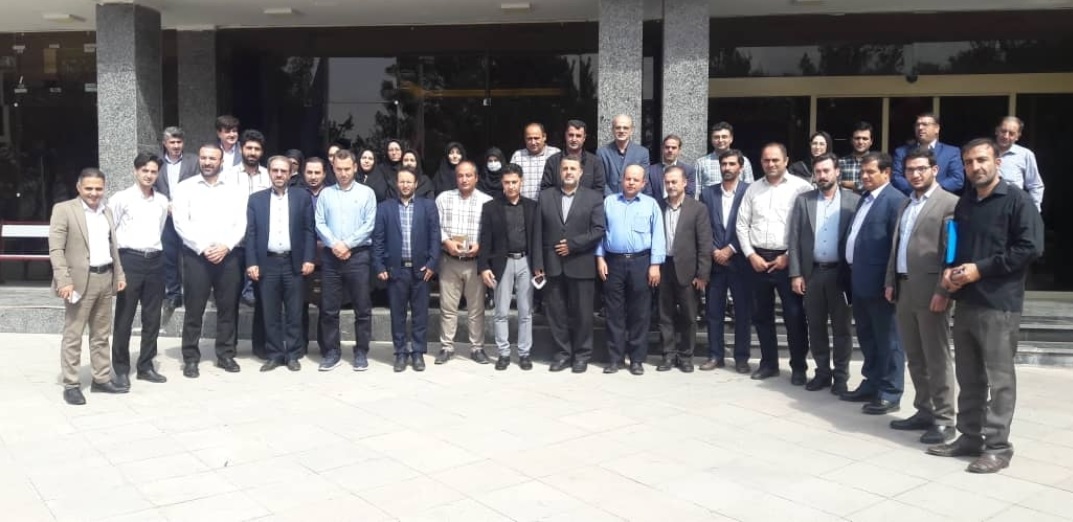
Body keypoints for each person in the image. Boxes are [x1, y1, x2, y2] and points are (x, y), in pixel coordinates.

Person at [927, 138, 1044, 474]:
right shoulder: (966, 203)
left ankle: (998, 447)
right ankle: (969, 437)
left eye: (981, 160)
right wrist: (949, 273)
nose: (975, 167)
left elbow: (1029, 248)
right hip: (966, 302)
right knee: (969, 377)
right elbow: (954, 245)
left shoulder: (1017, 201)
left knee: (999, 379)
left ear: (998, 162)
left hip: (999, 304)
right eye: (968, 162)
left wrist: (980, 269)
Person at [884, 147, 959, 444]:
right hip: (904, 288)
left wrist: (944, 289)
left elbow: (952, 253)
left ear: (934, 170)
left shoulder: (949, 203)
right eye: (910, 170)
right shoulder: (906, 203)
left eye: (921, 169)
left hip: (931, 292)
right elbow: (897, 246)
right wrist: (890, 280)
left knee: (936, 357)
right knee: (915, 356)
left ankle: (945, 419)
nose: (915, 174)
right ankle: (924, 410)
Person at [49, 168, 128, 405]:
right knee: (73, 335)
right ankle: (71, 384)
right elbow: (56, 249)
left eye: (98, 188)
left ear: (104, 188)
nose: (94, 193)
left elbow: (113, 246)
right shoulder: (64, 210)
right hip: (78, 282)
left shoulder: (107, 211)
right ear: (79, 187)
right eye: (89, 188)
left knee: (101, 335)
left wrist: (119, 274)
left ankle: (101, 378)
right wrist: (63, 280)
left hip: (105, 277)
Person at [735, 143, 812, 382]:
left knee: (794, 316)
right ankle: (769, 364)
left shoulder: (801, 188)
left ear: (786, 160)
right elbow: (742, 224)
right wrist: (751, 255)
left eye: (775, 160)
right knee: (761, 316)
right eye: (766, 160)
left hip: (789, 260)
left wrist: (788, 255)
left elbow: (807, 226)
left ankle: (798, 367)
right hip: (758, 260)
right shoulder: (753, 189)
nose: (771, 164)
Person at [172, 143, 248, 378]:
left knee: (228, 308)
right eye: (203, 158)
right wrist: (204, 247)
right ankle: (190, 358)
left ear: (221, 161)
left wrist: (226, 246)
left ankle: (225, 354)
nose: (207, 162)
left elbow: (241, 222)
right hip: (196, 256)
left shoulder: (235, 188)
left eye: (212, 158)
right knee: (194, 309)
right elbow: (180, 223)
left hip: (228, 255)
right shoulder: (185, 188)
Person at [841, 151, 909, 414]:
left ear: (887, 173)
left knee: (889, 340)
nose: (865, 176)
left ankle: (890, 392)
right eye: (862, 172)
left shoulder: (895, 200)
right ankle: (871, 383)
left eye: (871, 172)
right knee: (868, 337)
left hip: (882, 285)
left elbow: (896, 245)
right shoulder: (865, 199)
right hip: (859, 281)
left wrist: (890, 281)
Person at [787, 153, 859, 395]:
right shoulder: (804, 201)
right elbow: (794, 239)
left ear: (837, 171)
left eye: (826, 171)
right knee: (815, 326)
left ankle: (841, 376)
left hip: (841, 274)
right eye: (818, 172)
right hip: (813, 273)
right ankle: (822, 372)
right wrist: (796, 274)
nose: (822, 176)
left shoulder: (853, 201)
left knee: (842, 329)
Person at [532, 154, 606, 373]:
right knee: (556, 313)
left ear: (581, 173)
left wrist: (573, 244)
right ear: (559, 171)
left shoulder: (593, 197)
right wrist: (538, 262)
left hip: (581, 263)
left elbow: (598, 230)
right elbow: (538, 231)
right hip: (552, 264)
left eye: (573, 169)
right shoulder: (546, 196)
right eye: (565, 168)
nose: (569, 172)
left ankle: (582, 355)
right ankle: (562, 353)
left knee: (583, 314)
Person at [245, 156, 316, 372]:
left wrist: (309, 258)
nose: (278, 174)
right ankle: (274, 354)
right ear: (269, 172)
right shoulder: (256, 200)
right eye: (275, 170)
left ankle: (293, 354)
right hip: (267, 263)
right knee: (270, 312)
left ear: (290, 173)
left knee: (294, 312)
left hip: (294, 262)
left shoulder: (302, 197)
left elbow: (309, 230)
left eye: (283, 171)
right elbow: (251, 234)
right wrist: (252, 262)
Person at [597, 164, 666, 375]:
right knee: (614, 312)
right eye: (628, 178)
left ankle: (637, 359)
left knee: (640, 313)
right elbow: (600, 232)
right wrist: (599, 258)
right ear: (622, 179)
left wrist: (655, 264)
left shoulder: (650, 204)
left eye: (636, 180)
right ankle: (615, 358)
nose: (631, 182)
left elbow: (658, 235)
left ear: (643, 183)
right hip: (613, 262)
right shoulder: (609, 202)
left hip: (641, 262)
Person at [110, 154, 170, 388]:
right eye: (144, 170)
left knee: (152, 317)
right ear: (135, 171)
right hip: (130, 260)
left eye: (153, 171)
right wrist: (116, 266)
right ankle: (121, 369)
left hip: (155, 261)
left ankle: (145, 365)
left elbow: (160, 228)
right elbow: (110, 230)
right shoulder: (121, 198)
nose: (149, 175)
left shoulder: (162, 201)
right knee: (124, 318)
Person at [315, 149, 378, 371]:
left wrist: (347, 244)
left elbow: (369, 224)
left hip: (358, 255)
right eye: (339, 169)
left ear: (355, 168)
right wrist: (335, 245)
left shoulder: (367, 193)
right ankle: (332, 351)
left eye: (347, 169)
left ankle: (361, 351)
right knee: (329, 308)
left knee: (362, 308)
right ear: (333, 168)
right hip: (331, 256)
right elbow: (319, 223)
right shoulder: (325, 194)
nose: (343, 173)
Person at [373, 167, 440, 372]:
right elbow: (378, 239)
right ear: (396, 183)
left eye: (409, 182)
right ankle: (400, 353)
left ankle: (418, 352)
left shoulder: (428, 206)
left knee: (420, 314)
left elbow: (435, 236)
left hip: (421, 270)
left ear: (416, 184)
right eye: (401, 181)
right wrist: (379, 265)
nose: (405, 185)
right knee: (398, 314)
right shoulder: (385, 208)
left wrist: (432, 263)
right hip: (396, 270)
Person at [478, 163, 538, 371]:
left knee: (525, 311)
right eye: (507, 182)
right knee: (501, 310)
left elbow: (537, 239)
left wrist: (539, 266)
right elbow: (485, 239)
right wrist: (483, 266)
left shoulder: (532, 207)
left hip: (526, 262)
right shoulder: (491, 207)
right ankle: (503, 353)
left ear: (521, 182)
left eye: (514, 182)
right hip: (501, 263)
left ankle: (524, 353)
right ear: (502, 184)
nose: (511, 186)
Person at [435, 160, 493, 364]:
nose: (464, 179)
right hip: (449, 260)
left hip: (475, 263)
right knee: (448, 307)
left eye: (469, 175)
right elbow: (435, 226)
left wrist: (480, 246)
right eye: (460, 175)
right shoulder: (444, 198)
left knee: (476, 308)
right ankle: (446, 347)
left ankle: (477, 348)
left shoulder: (487, 201)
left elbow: (491, 231)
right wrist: (447, 242)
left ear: (476, 178)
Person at [700, 150, 752, 373]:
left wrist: (730, 249)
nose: (727, 168)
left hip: (740, 262)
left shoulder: (749, 192)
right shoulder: (707, 193)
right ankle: (715, 355)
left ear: (740, 167)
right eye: (724, 164)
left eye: (732, 164)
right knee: (714, 311)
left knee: (742, 312)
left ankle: (741, 358)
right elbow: (703, 226)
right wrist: (714, 250)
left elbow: (751, 224)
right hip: (715, 263)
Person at [655, 166, 711, 373]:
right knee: (665, 315)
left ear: (685, 183)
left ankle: (686, 356)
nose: (670, 186)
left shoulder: (698, 209)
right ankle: (668, 355)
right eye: (667, 182)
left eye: (674, 182)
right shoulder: (658, 206)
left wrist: (702, 274)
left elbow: (704, 243)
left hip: (688, 270)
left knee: (689, 316)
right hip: (663, 267)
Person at [226, 129, 270, 359]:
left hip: (260, 247)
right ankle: (228, 347)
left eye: (257, 149)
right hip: (234, 245)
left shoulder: (269, 176)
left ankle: (260, 346)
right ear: (241, 149)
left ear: (262, 152)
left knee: (262, 297)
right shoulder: (228, 176)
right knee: (230, 297)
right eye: (249, 148)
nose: (252, 152)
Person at [156, 126, 198, 312]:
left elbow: (199, 185)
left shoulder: (193, 161)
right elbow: (152, 186)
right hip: (166, 217)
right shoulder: (157, 162)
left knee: (190, 255)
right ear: (165, 143)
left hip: (189, 216)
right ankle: (173, 293)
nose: (176, 146)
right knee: (169, 256)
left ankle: (191, 292)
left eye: (179, 142)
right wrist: (166, 205)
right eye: (172, 142)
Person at [299, 157, 331, 356]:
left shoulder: (333, 194)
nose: (313, 176)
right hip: (302, 256)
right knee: (300, 304)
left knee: (327, 305)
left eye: (317, 172)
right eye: (309, 172)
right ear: (303, 173)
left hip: (328, 256)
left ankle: (326, 346)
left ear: (324, 174)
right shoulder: (296, 194)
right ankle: (300, 345)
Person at [892, 113, 964, 195]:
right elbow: (896, 178)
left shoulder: (951, 152)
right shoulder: (901, 152)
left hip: (939, 199)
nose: (920, 128)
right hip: (910, 198)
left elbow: (957, 179)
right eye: (917, 125)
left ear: (936, 129)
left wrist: (931, 191)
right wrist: (917, 191)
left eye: (925, 124)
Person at [542, 119, 606, 193]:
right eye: (571, 135)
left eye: (578, 136)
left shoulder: (595, 163)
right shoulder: (553, 161)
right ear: (565, 135)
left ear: (584, 138)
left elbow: (599, 191)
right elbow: (545, 190)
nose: (574, 139)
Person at [995, 116, 1045, 210]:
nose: (1006, 136)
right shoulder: (984, 151)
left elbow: (1035, 185)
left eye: (1011, 133)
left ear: (1017, 136)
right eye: (1003, 131)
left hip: (1013, 208)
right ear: (997, 131)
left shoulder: (1025, 155)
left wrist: (1033, 210)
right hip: (987, 206)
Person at [597, 114, 650, 196]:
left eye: (625, 128)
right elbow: (601, 181)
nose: (621, 131)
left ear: (631, 130)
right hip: (610, 200)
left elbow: (644, 180)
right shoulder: (602, 152)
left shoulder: (642, 153)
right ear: (612, 130)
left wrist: (630, 198)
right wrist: (613, 200)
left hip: (634, 200)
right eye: (618, 127)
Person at [696, 122, 755, 191]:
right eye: (716, 137)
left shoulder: (743, 161)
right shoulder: (701, 163)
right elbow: (696, 190)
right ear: (711, 140)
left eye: (724, 137)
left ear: (731, 139)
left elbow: (750, 189)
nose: (720, 140)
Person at [510, 122, 560, 201]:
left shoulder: (555, 154)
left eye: (536, 138)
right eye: (529, 139)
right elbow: (511, 181)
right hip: (524, 205)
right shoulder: (518, 156)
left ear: (544, 137)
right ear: (525, 139)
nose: (533, 142)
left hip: (549, 204)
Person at [644, 134, 696, 203]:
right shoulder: (651, 171)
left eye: (674, 148)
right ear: (662, 149)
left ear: (679, 150)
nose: (670, 150)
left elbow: (690, 195)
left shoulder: (689, 171)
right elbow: (648, 195)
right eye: (667, 147)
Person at [838, 122, 874, 193]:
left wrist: (850, 184)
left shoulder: (876, 163)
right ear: (851, 140)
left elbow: (877, 185)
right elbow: (836, 185)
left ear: (871, 141)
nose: (860, 142)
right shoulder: (841, 162)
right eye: (857, 138)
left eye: (865, 139)